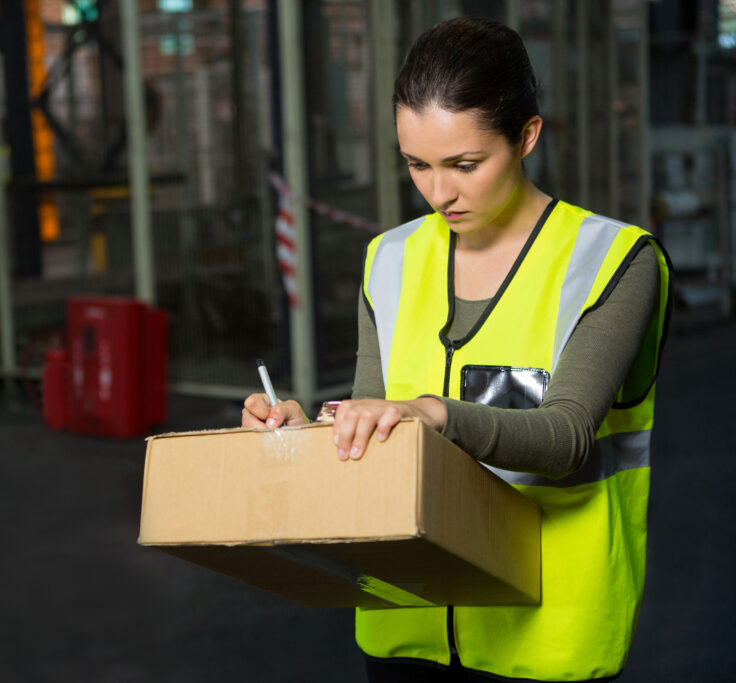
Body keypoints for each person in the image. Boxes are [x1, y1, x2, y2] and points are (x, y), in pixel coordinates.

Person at [242, 17, 671, 683]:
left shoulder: (611, 260)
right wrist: (303, 439)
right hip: (404, 625)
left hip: (545, 639)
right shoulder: (387, 261)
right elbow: (369, 428)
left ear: (527, 135)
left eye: (465, 165)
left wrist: (434, 414)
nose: (439, 192)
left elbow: (565, 438)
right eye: (417, 164)